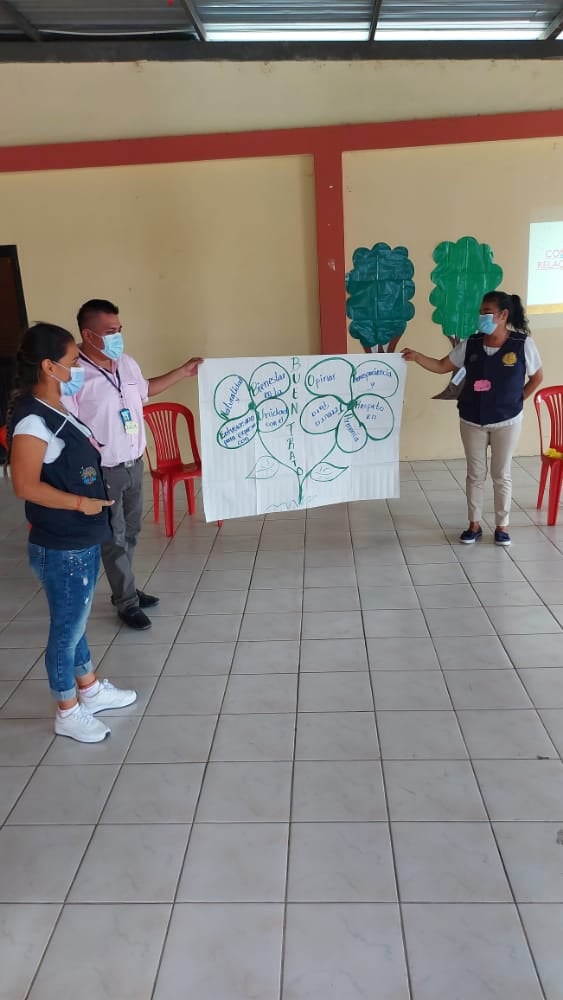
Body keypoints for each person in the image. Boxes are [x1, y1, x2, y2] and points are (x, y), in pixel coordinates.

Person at [9, 323, 137, 743]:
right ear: (49, 367)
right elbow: (24, 485)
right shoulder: (32, 419)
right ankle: (67, 710)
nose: (77, 368)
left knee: (74, 622)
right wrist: (81, 503)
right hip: (62, 544)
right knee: (65, 631)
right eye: (71, 362)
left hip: (79, 539)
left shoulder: (55, 406)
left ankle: (90, 689)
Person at [65, 299, 203, 630]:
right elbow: (68, 424)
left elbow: (146, 390)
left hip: (133, 462)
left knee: (131, 531)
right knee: (113, 537)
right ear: (88, 334)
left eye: (120, 329)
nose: (118, 336)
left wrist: (183, 372)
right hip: (103, 470)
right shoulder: (73, 374)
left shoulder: (126, 363)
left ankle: (124, 589)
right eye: (110, 331)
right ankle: (126, 601)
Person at [402, 291, 543, 546]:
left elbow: (537, 377)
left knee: (501, 473)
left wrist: (519, 398)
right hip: (471, 419)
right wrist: (417, 357)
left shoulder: (522, 344)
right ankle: (474, 525)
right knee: (475, 474)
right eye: (480, 312)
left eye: (487, 312)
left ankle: (502, 526)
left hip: (507, 421)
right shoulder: (471, 343)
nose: (481, 317)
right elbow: (442, 366)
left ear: (503, 315)